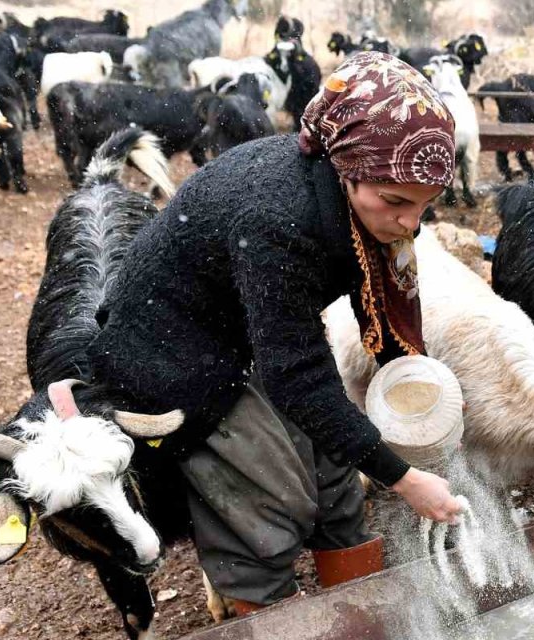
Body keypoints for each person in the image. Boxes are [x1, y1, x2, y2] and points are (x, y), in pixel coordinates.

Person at [84, 52, 464, 613]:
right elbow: (297, 376)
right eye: (395, 202)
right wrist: (404, 479)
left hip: (246, 326)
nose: (410, 223)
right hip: (172, 356)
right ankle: (265, 611)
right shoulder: (278, 219)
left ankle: (360, 614)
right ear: (345, 167)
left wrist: (404, 379)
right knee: (268, 498)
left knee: (334, 478)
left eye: (425, 205)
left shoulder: (355, 200)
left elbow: (362, 300)